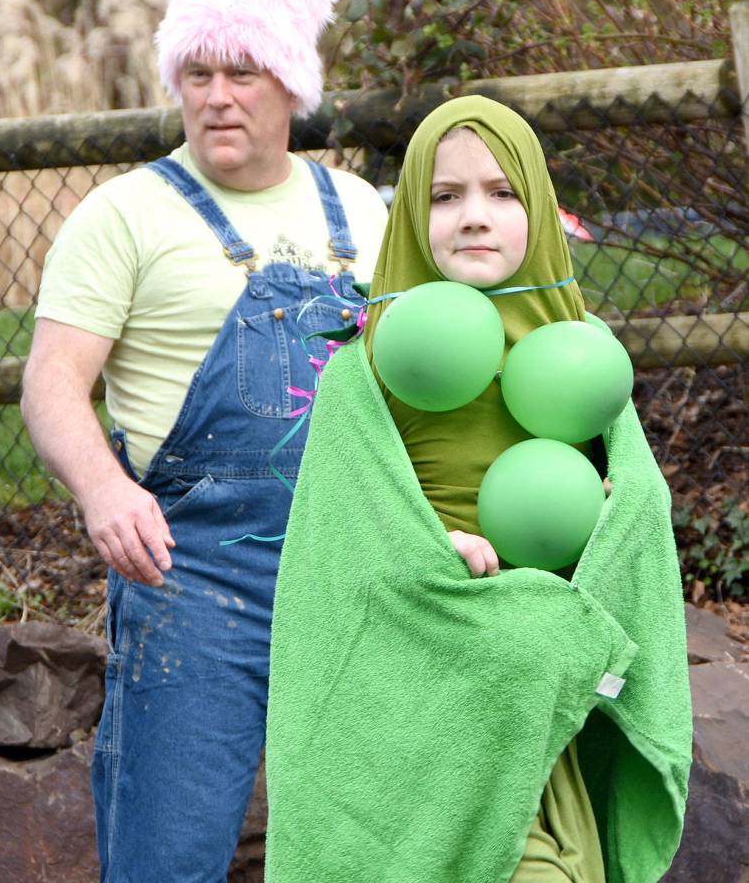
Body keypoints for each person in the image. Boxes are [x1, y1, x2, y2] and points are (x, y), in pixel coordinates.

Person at [21, 0, 388, 882]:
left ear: (291, 84)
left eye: (243, 72)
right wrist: (104, 490)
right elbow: (51, 384)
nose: (217, 96)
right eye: (198, 73)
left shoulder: (363, 212)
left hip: (353, 569)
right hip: (194, 582)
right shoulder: (123, 215)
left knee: (365, 847)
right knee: (168, 855)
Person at [265, 96, 692, 882]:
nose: (473, 216)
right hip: (425, 682)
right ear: (409, 215)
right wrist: (424, 549)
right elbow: (342, 528)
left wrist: (609, 519)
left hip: (540, 683)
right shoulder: (372, 365)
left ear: (539, 208)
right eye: (443, 195)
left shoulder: (579, 350)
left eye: (502, 193)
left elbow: (637, 499)